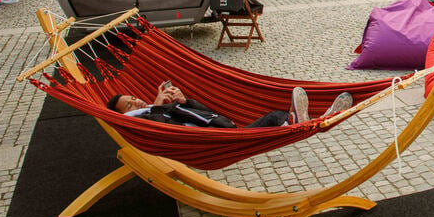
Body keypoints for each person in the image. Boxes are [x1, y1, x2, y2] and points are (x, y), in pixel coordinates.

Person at [107, 82, 353, 127]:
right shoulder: (144, 119)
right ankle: (304, 121)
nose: (136, 101)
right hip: (217, 139)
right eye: (129, 105)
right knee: (273, 117)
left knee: (275, 115)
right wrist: (160, 106)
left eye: (132, 97)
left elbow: (207, 113)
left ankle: (313, 119)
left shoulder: (157, 109)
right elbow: (163, 129)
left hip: (224, 126)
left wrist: (185, 101)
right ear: (125, 114)